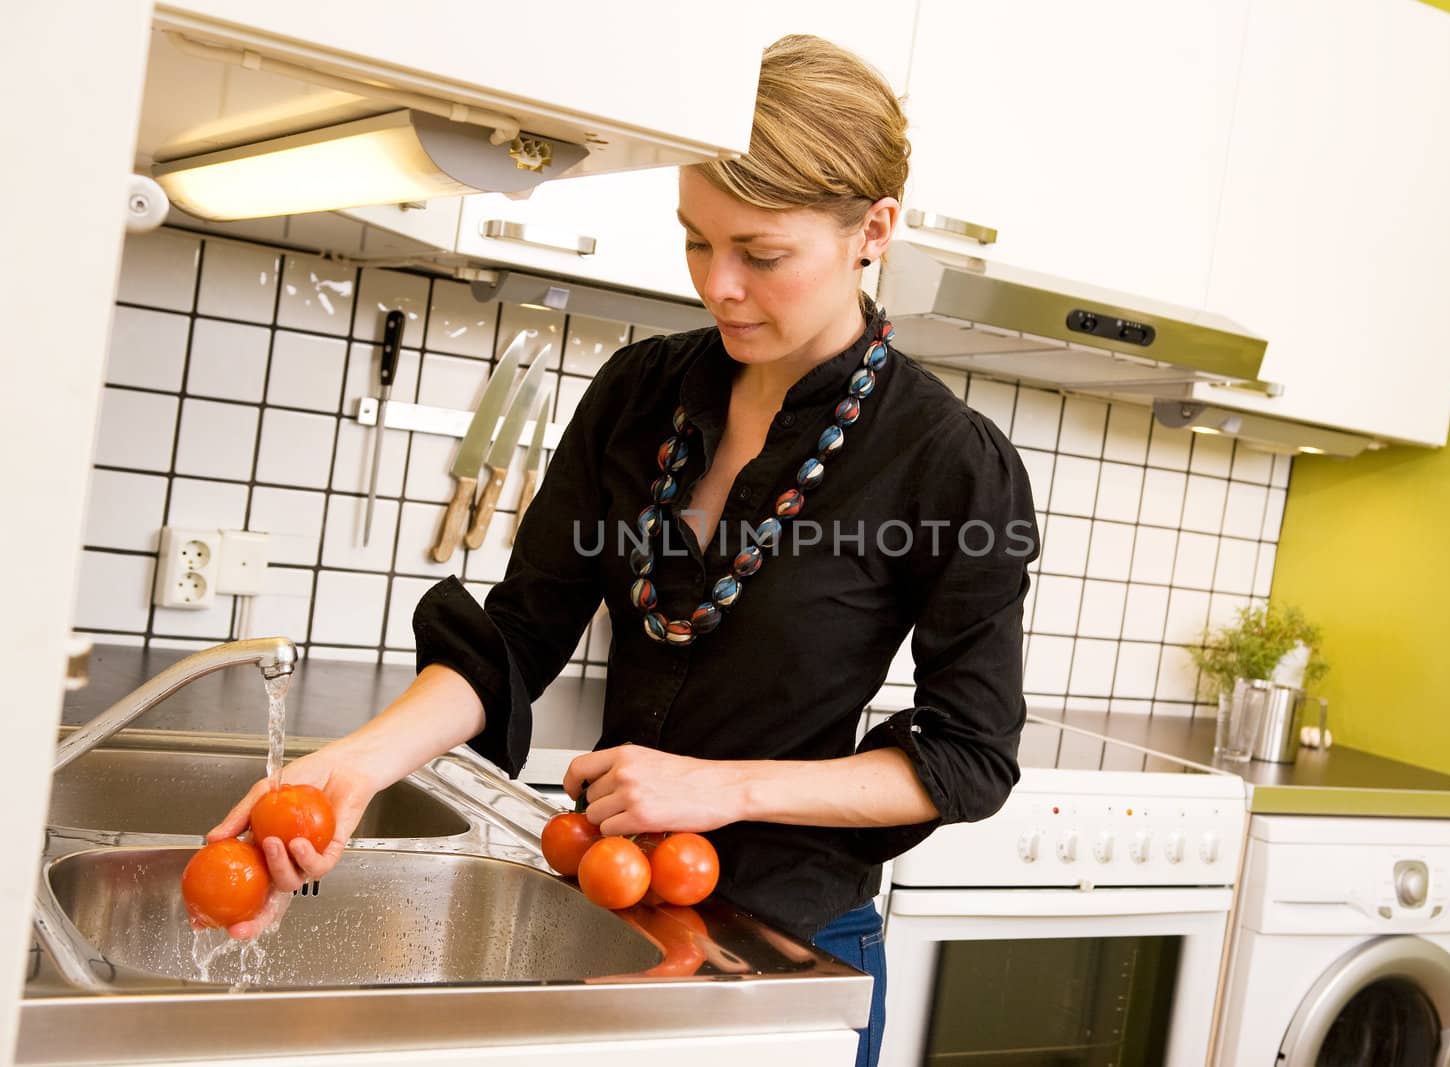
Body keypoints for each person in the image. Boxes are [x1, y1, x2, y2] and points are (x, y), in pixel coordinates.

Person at [207, 34, 1038, 1067]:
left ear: (873, 230)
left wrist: (722, 786)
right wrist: (352, 766)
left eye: (761, 255)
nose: (718, 286)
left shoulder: (949, 462)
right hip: (606, 910)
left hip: (784, 949)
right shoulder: (639, 392)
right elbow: (519, 629)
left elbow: (969, 756)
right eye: (695, 240)